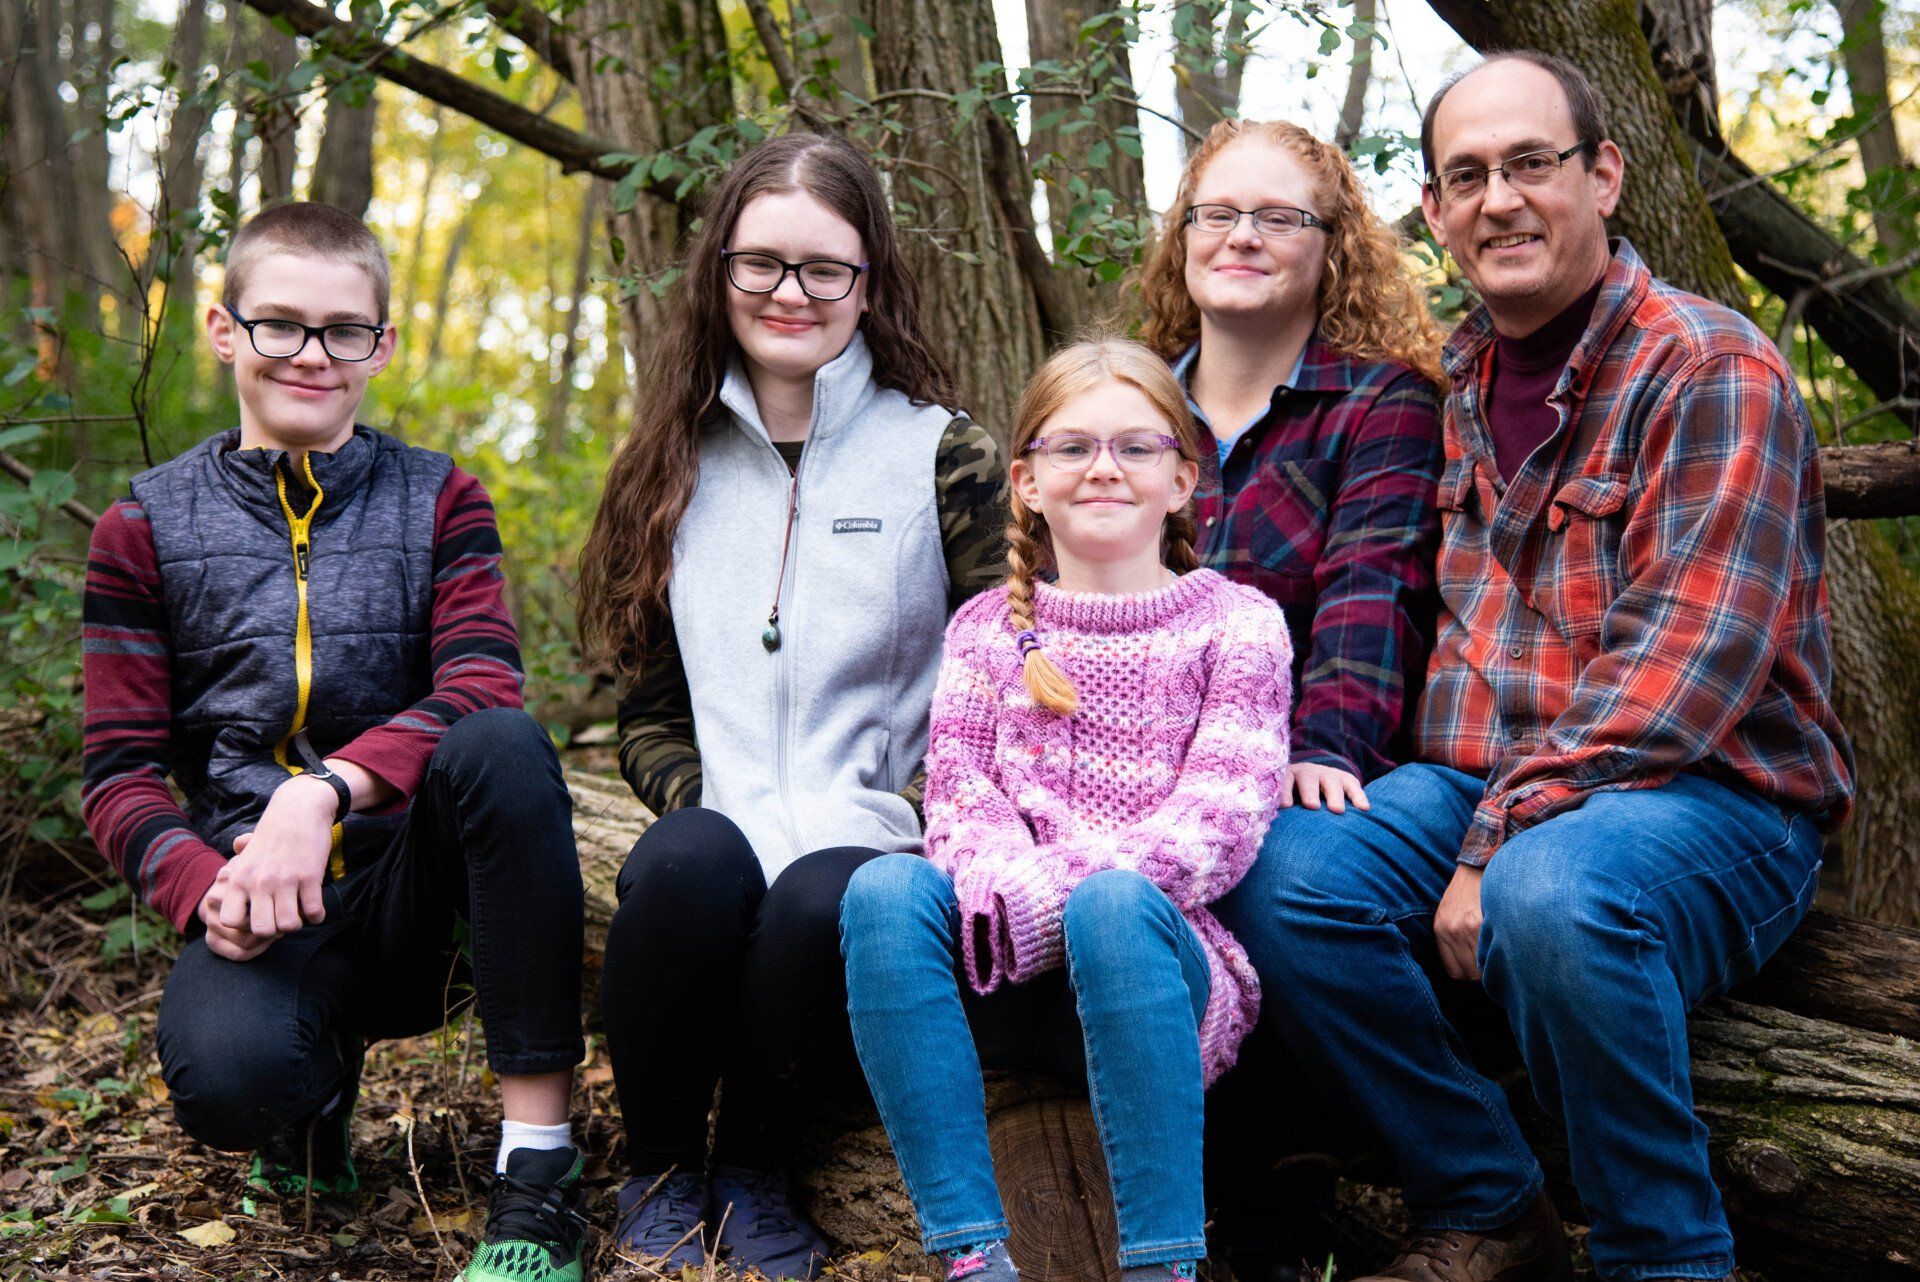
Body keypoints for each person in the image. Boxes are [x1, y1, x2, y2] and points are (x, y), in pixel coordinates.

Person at [1216, 52, 1855, 1282]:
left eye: (1530, 164)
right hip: (1476, 785)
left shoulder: (1711, 369)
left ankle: (1663, 1255)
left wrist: (1492, 842)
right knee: (1279, 872)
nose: (1499, 198)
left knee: (1550, 896)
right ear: (1439, 213)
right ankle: (1487, 1197)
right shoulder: (1451, 383)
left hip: (1713, 795)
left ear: (1604, 175)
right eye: (1468, 177)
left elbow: (1688, 665)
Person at [79, 203, 589, 1282]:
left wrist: (321, 793)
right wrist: (206, 886)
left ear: (381, 345)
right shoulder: (145, 526)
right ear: (224, 330)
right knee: (230, 1080)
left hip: (422, 893)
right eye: (281, 325)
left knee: (502, 740)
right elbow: (118, 772)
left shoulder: (440, 495)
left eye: (343, 330)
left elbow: (482, 683)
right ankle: (307, 1111)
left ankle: (539, 1173)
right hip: (263, 905)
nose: (312, 355)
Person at [574, 133, 1004, 1281]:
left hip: (879, 840)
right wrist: (705, 800)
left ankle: (758, 1172)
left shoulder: (942, 455)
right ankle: (661, 1172)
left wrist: (912, 807)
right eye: (761, 262)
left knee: (829, 891)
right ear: (720, 270)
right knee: (681, 863)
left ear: (871, 283)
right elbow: (650, 710)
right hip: (722, 831)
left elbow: (1004, 681)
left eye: (827, 268)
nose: (790, 293)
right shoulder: (668, 462)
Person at [840, 339, 1293, 1282]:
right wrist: (1016, 901)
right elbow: (959, 805)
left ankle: (1163, 1265)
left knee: (1114, 905)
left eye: (1136, 446)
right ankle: (971, 1255)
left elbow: (1219, 818)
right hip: (1006, 970)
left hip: (1155, 982)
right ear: (1026, 483)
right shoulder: (986, 633)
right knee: (885, 889)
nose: (1103, 467)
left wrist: (1051, 902)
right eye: (1071, 447)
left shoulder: (1237, 625)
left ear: (1181, 478)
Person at [1135, 118, 1446, 1269]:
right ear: (1183, 238)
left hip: (1283, 763)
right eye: (1219, 213)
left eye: (1281, 217)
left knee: (1253, 862)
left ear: (1333, 246)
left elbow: (1372, 600)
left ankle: (1280, 1209)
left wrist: (1327, 750)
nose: (1244, 237)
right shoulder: (1133, 410)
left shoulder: (1382, 406)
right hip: (1130, 765)